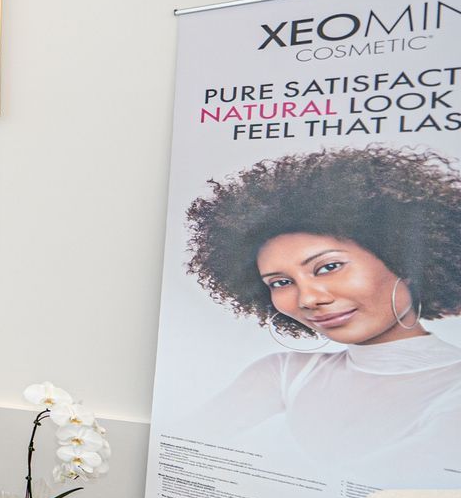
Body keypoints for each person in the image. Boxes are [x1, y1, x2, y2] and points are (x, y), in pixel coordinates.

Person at [184, 145, 461, 460]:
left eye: (329, 267)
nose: (309, 299)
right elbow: (182, 446)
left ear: (405, 261)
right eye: (281, 283)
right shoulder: (286, 373)